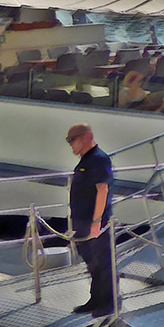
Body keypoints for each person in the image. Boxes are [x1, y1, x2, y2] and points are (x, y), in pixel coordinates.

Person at [64, 123, 116, 316]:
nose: (70, 144)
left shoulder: (99, 159)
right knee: (92, 264)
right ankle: (95, 300)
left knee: (103, 263)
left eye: (72, 139)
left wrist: (96, 222)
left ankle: (108, 304)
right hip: (82, 220)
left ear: (86, 137)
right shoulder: (86, 159)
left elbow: (102, 190)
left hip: (95, 222)